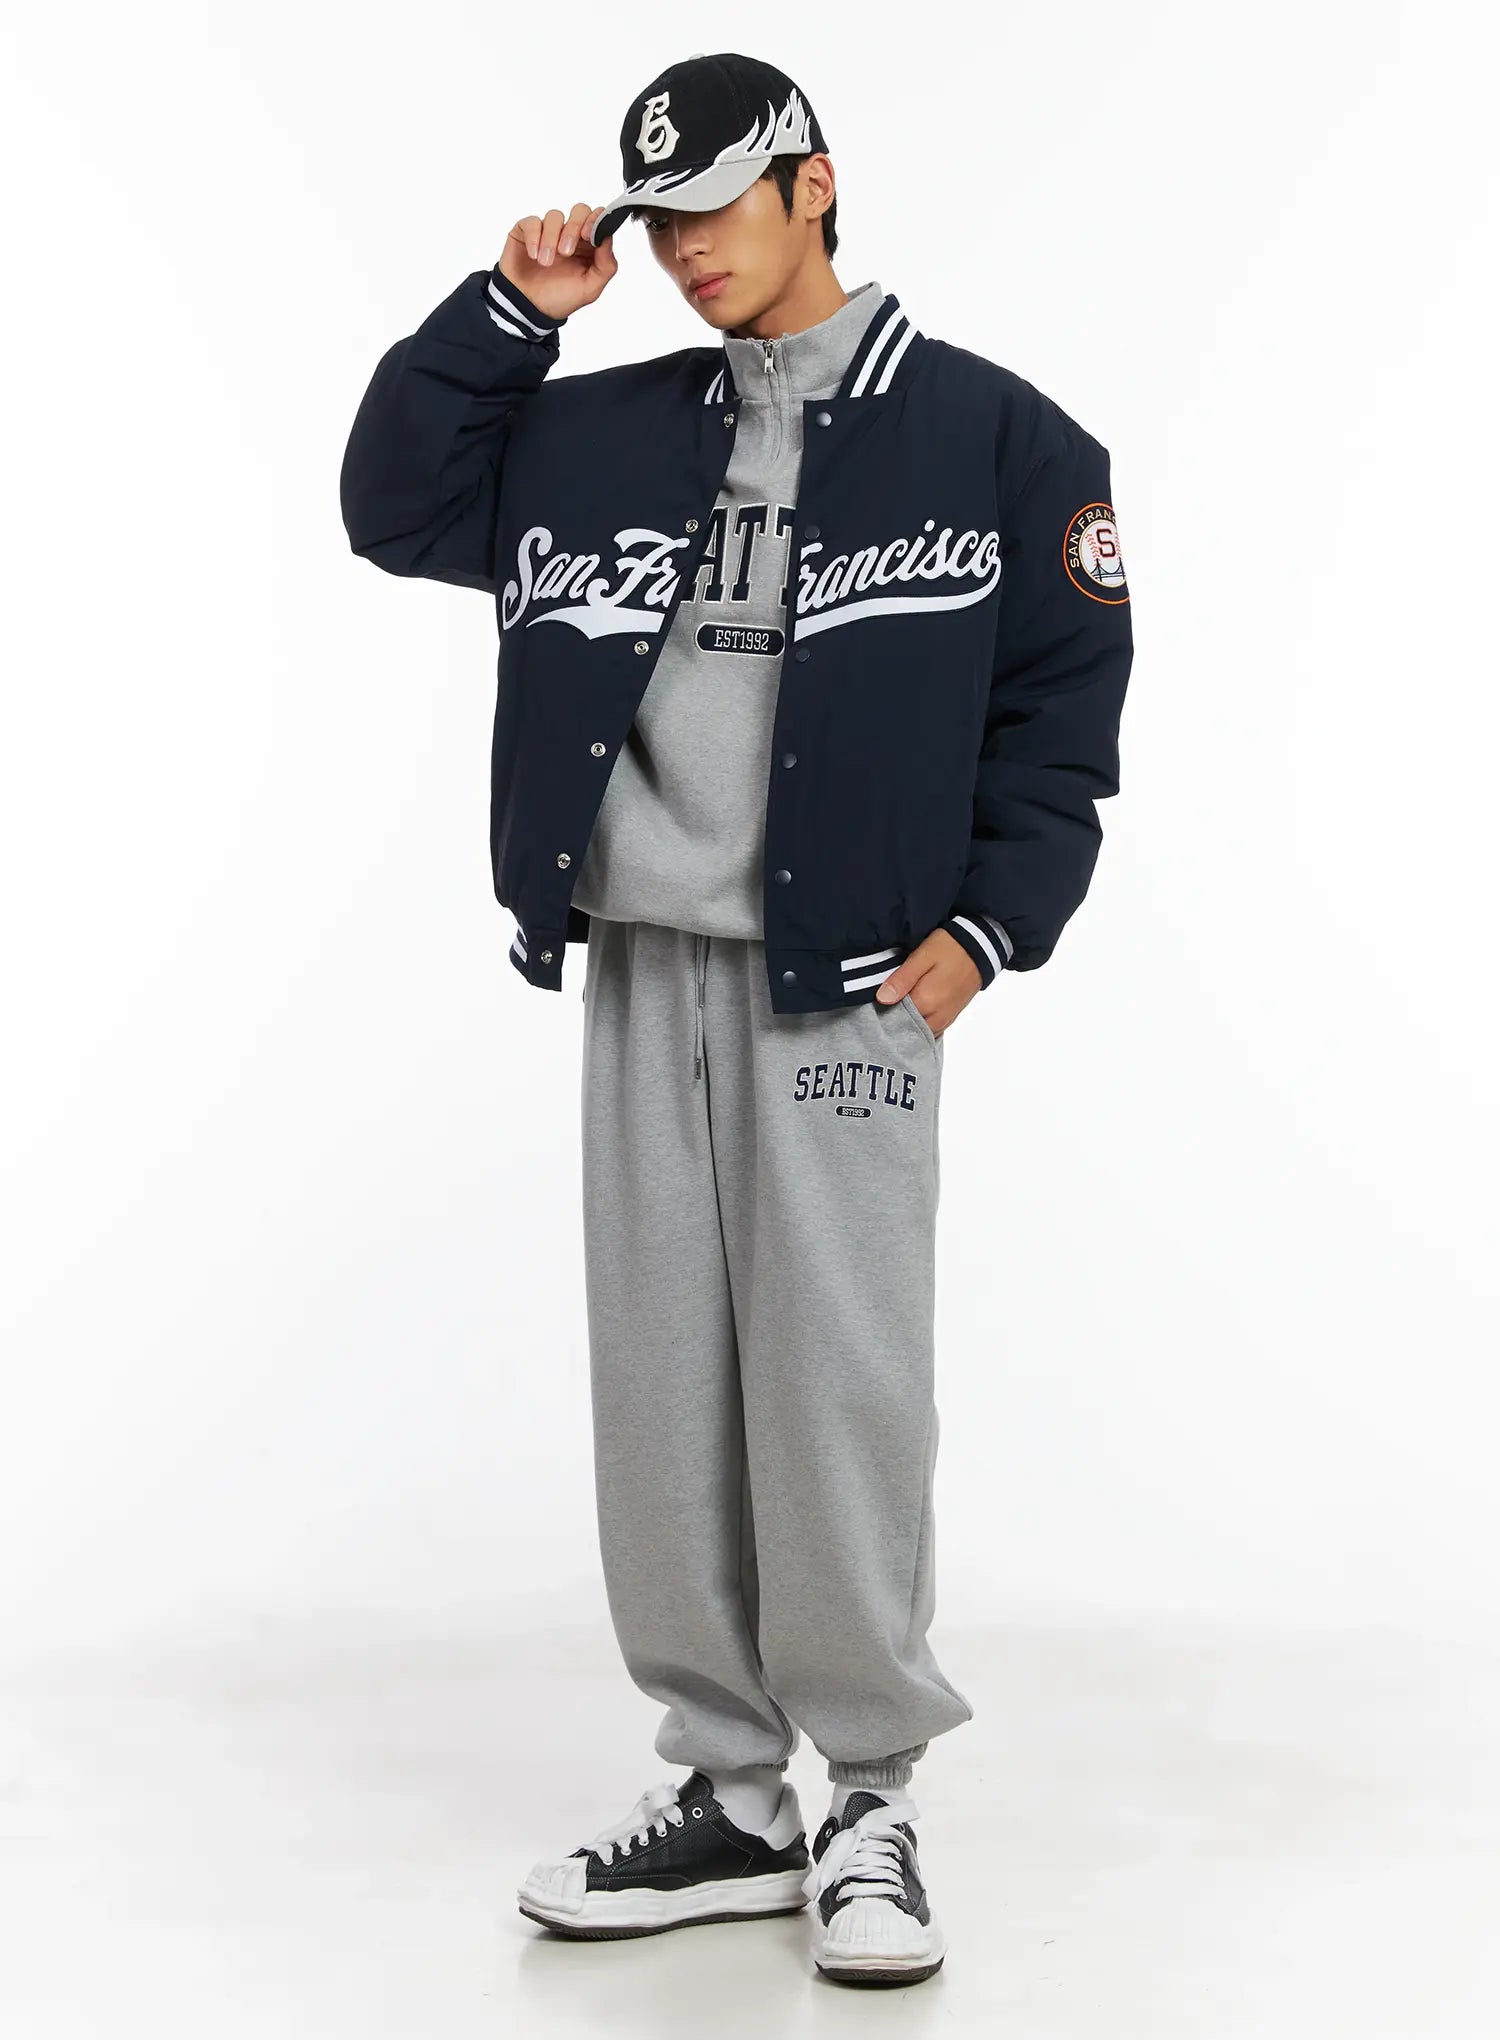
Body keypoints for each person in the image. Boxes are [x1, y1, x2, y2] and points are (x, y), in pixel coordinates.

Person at [340, 48, 1132, 1988]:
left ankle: (869, 1794)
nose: (688, 249)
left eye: (716, 208)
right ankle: (727, 1791)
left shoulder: (1000, 441)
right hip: (642, 962)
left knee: (839, 1382)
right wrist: (513, 314)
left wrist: (988, 932)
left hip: (849, 977)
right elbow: (391, 503)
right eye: (659, 220)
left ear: (812, 186)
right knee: (663, 1384)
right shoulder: (591, 433)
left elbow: (1063, 709)